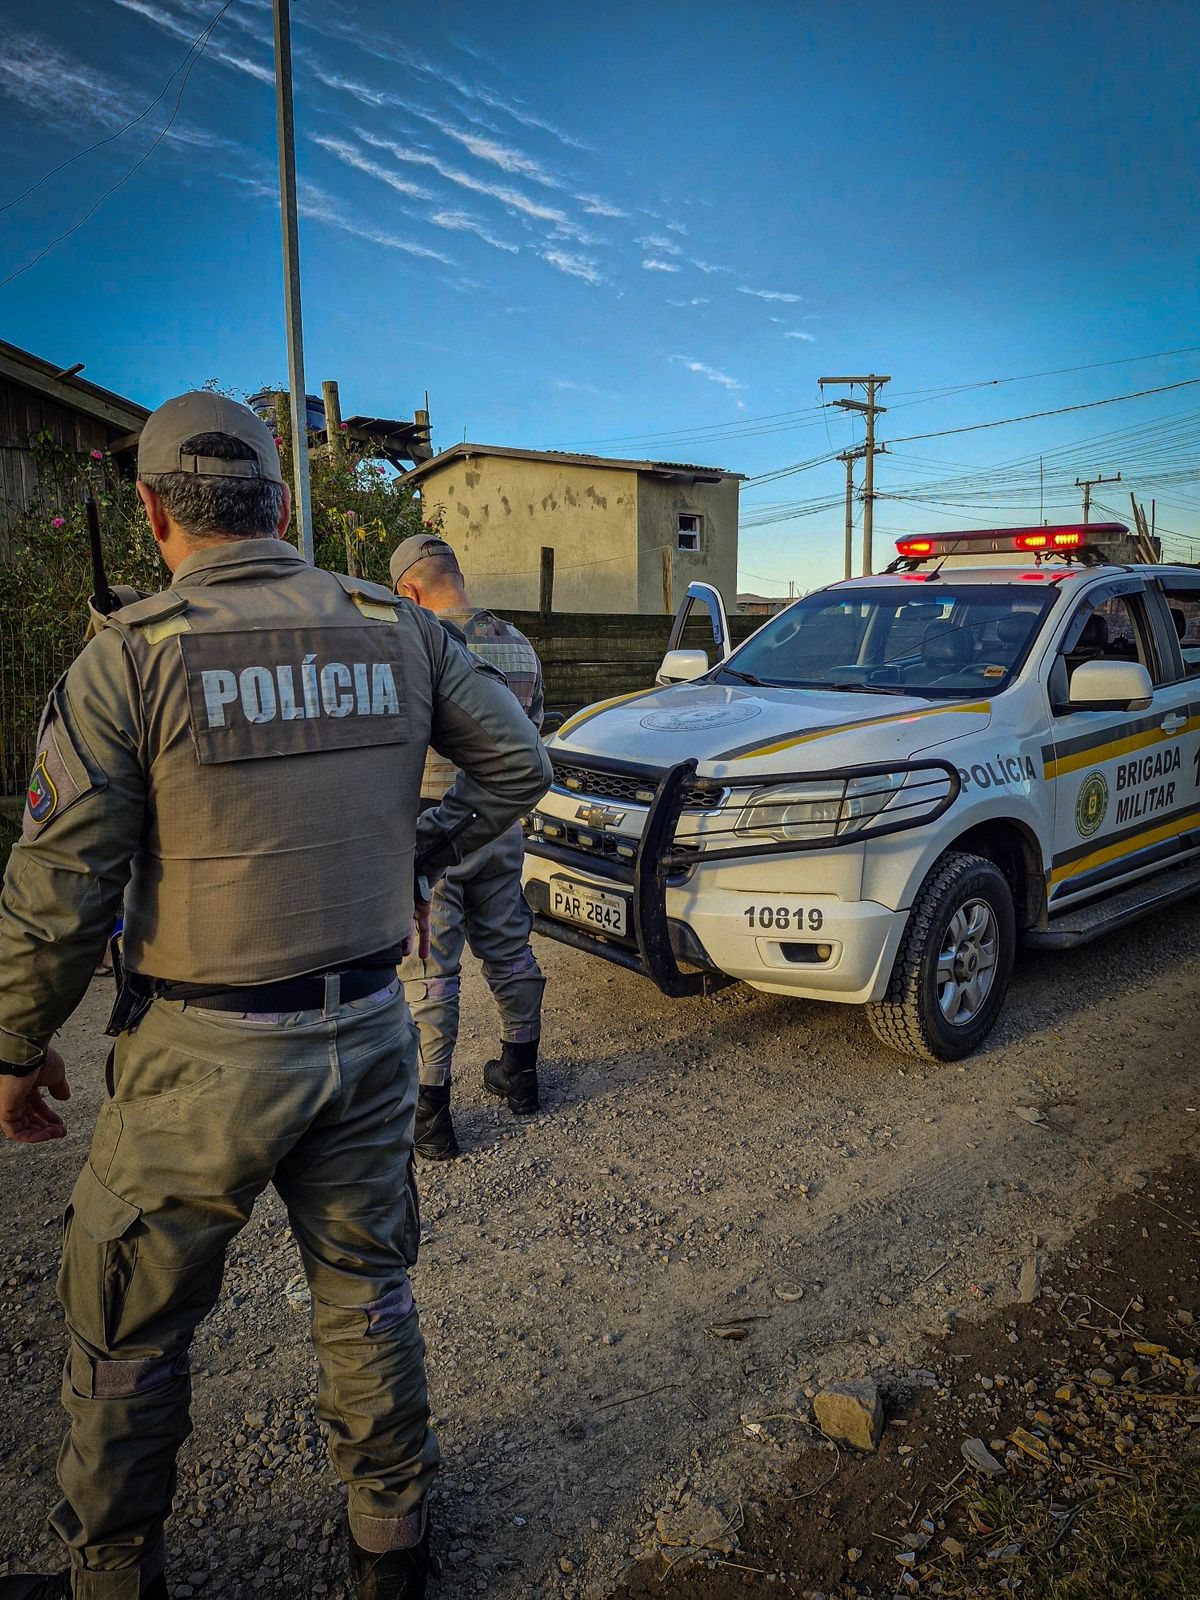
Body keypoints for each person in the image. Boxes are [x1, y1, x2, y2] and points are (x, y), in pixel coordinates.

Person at [0, 393, 551, 1600]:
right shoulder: (394, 628)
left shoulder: (128, 658)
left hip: (198, 1057)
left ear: (152, 512)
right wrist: (425, 849)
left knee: (129, 1333)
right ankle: (391, 1545)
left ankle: (113, 1570)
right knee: (367, 1292)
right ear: (286, 506)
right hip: (364, 1032)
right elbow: (521, 762)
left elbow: (62, 886)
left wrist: (16, 1044)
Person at [390, 535, 547, 1161]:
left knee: (430, 969)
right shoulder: (518, 643)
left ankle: (433, 1114)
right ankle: (522, 1073)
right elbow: (529, 739)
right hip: (500, 826)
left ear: (408, 590)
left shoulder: (407, 645)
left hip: (432, 832)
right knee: (509, 946)